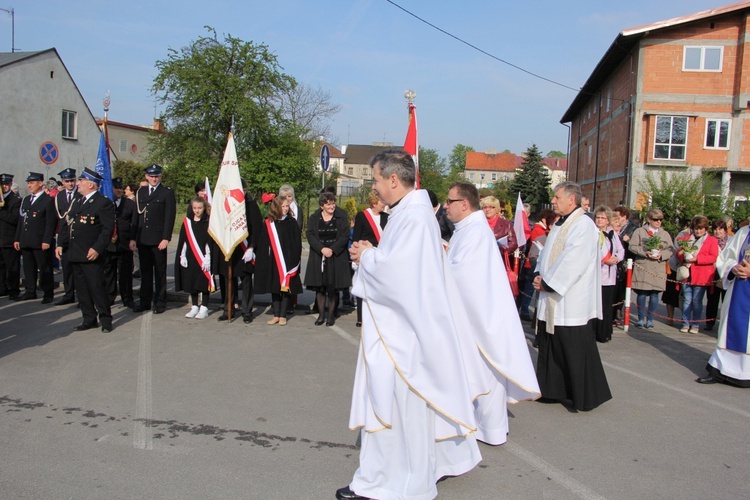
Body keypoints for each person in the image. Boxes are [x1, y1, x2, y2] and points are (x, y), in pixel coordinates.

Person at [341, 149, 484, 500]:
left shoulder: (415, 217)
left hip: (404, 337)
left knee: (397, 408)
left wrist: (367, 255)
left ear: (393, 179)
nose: (373, 187)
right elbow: (399, 265)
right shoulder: (407, 212)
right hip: (403, 328)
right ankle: (389, 474)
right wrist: (373, 253)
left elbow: (400, 276)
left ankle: (393, 482)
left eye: (375, 179)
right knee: (405, 410)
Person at [444, 181, 540, 444]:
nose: (445, 206)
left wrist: (438, 266)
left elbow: (463, 274)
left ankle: (490, 429)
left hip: (482, 316)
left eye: (449, 201)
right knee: (480, 372)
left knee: (486, 371)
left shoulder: (475, 231)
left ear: (464, 204)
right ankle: (485, 426)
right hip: (476, 312)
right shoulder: (468, 228)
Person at [533, 181, 612, 411]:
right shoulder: (561, 223)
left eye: (557, 197)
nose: (553, 201)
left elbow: (574, 260)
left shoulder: (584, 225)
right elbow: (547, 252)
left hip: (570, 298)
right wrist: (539, 273)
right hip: (552, 295)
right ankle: (553, 389)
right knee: (553, 345)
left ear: (571, 199)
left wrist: (549, 283)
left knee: (573, 347)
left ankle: (584, 395)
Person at [55, 168, 115, 333]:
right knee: (81, 289)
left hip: (91, 253)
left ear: (90, 184)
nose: (78, 184)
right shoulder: (77, 201)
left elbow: (107, 230)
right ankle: (89, 318)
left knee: (96, 287)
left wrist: (97, 248)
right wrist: (61, 244)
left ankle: (105, 320)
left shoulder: (103, 203)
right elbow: (68, 224)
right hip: (75, 252)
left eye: (81, 181)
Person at [696, 221, 750, 387]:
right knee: (728, 328)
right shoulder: (743, 232)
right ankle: (720, 370)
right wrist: (733, 268)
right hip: (738, 289)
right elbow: (726, 257)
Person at [130, 164, 176, 314]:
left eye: (156, 176)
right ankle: (144, 301)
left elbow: (169, 217)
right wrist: (133, 238)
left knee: (160, 272)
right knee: (145, 272)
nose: (154, 178)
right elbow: (136, 216)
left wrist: (166, 238)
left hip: (158, 239)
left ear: (160, 176)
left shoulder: (166, 192)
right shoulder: (141, 192)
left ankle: (160, 302)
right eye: (151, 176)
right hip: (143, 238)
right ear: (146, 177)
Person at [304, 191, 351, 327]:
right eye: (329, 204)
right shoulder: (314, 218)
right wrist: (321, 249)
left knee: (333, 287)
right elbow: (310, 234)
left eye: (333, 203)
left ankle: (331, 316)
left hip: (335, 256)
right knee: (320, 287)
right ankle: (321, 315)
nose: (332, 206)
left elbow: (345, 235)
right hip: (319, 256)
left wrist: (333, 249)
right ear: (322, 206)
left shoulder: (341, 217)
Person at [254, 196, 302, 325]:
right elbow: (263, 243)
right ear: (276, 207)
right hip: (273, 261)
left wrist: (295, 261)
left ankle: (283, 315)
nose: (285, 209)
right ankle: (276, 314)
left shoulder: (291, 222)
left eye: (287, 206)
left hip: (287, 261)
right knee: (275, 288)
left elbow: (296, 242)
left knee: (285, 289)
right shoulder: (269, 223)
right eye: (283, 206)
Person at [14, 172, 57, 304]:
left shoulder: (48, 200)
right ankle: (30, 291)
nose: (29, 185)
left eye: (32, 182)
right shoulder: (26, 200)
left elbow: (51, 223)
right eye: (28, 183)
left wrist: (47, 240)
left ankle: (48, 293)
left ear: (40, 183)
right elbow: (22, 221)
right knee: (28, 267)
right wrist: (17, 238)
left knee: (44, 268)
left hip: (40, 241)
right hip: (26, 239)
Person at [629, 209, 674, 329]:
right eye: (655, 220)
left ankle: (650, 319)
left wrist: (662, 255)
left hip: (658, 267)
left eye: (660, 220)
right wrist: (644, 252)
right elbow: (632, 246)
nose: (658, 222)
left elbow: (671, 249)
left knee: (655, 294)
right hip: (644, 265)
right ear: (649, 219)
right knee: (642, 293)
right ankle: (640, 318)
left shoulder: (664, 234)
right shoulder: (639, 231)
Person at [350, 191, 388, 328]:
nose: (384, 204)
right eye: (381, 202)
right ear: (374, 202)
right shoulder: (362, 216)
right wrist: (357, 252)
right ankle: (361, 317)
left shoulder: (387, 217)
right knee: (363, 287)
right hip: (366, 255)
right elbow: (356, 237)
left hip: (380, 257)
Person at [676, 215, 719, 334]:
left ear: (705, 229)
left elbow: (713, 257)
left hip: (702, 274)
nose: (698, 231)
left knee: (696, 301)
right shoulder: (687, 238)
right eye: (696, 228)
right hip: (687, 273)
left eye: (701, 228)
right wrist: (683, 255)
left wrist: (697, 259)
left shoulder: (712, 240)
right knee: (686, 300)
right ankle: (685, 323)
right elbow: (678, 253)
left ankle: (695, 324)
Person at [175, 197, 213, 319]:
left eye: (200, 208)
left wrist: (208, 257)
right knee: (191, 281)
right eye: (195, 208)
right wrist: (182, 255)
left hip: (203, 257)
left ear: (204, 208)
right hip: (191, 256)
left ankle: (204, 307)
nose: (197, 211)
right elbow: (183, 241)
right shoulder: (187, 222)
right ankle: (195, 306)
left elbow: (210, 242)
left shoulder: (207, 222)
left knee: (203, 282)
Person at [593, 206, 624, 343]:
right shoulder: (592, 232)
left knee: (606, 305)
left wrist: (616, 258)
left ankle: (605, 331)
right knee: (595, 306)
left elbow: (621, 250)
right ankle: (594, 331)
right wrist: (604, 260)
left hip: (610, 276)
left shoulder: (613, 233)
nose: (599, 220)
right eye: (597, 217)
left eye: (602, 218)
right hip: (596, 275)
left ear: (608, 220)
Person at [105, 178, 136, 308]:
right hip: (108, 245)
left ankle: (127, 298)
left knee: (125, 274)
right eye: (115, 187)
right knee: (109, 273)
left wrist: (133, 239)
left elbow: (134, 223)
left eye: (120, 187)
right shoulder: (105, 203)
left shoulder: (129, 204)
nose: (119, 190)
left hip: (124, 244)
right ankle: (109, 297)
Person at [53, 168, 80, 306]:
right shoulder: (60, 196)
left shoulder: (80, 194)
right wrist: (60, 243)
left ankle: (82, 298)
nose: (70, 183)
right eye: (67, 181)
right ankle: (69, 294)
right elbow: (61, 220)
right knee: (67, 267)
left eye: (72, 180)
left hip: (79, 237)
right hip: (65, 237)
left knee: (79, 271)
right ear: (63, 182)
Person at [612, 205, 637, 325]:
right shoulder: (613, 227)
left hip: (627, 261)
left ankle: (618, 311)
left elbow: (636, 246)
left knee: (622, 288)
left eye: (618, 216)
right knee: (614, 287)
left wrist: (628, 240)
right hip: (614, 261)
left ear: (624, 217)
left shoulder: (633, 228)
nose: (616, 218)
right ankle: (612, 311)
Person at [705, 219, 730, 330]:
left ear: (725, 230)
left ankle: (725, 324)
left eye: (720, 229)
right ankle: (710, 322)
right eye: (715, 229)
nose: (717, 231)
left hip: (728, 273)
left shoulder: (732, 240)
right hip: (713, 272)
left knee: (727, 299)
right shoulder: (709, 240)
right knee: (712, 299)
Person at [0, 173, 21, 299]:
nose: (4, 187)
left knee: (12, 266)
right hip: (0, 239)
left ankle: (14, 290)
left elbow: (14, 219)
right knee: (1, 267)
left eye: (7, 184)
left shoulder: (15, 200)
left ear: (11, 184)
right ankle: (2, 288)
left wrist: (1, 211)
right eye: (2, 184)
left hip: (9, 238)